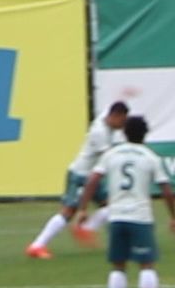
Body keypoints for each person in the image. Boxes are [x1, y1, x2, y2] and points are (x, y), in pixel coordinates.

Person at [78, 115, 175, 288]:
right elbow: (167, 190)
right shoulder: (150, 157)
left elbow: (93, 180)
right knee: (147, 265)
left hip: (116, 217)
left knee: (118, 266)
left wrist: (82, 209)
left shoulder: (111, 154)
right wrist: (173, 218)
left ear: (124, 133)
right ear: (145, 135)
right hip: (140, 217)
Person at [27, 101, 128, 259]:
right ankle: (37, 245)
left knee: (112, 206)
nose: (123, 126)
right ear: (115, 116)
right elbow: (110, 158)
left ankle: (87, 229)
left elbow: (113, 106)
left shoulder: (105, 117)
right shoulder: (99, 133)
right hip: (80, 175)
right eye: (122, 121)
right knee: (68, 212)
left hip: (93, 176)